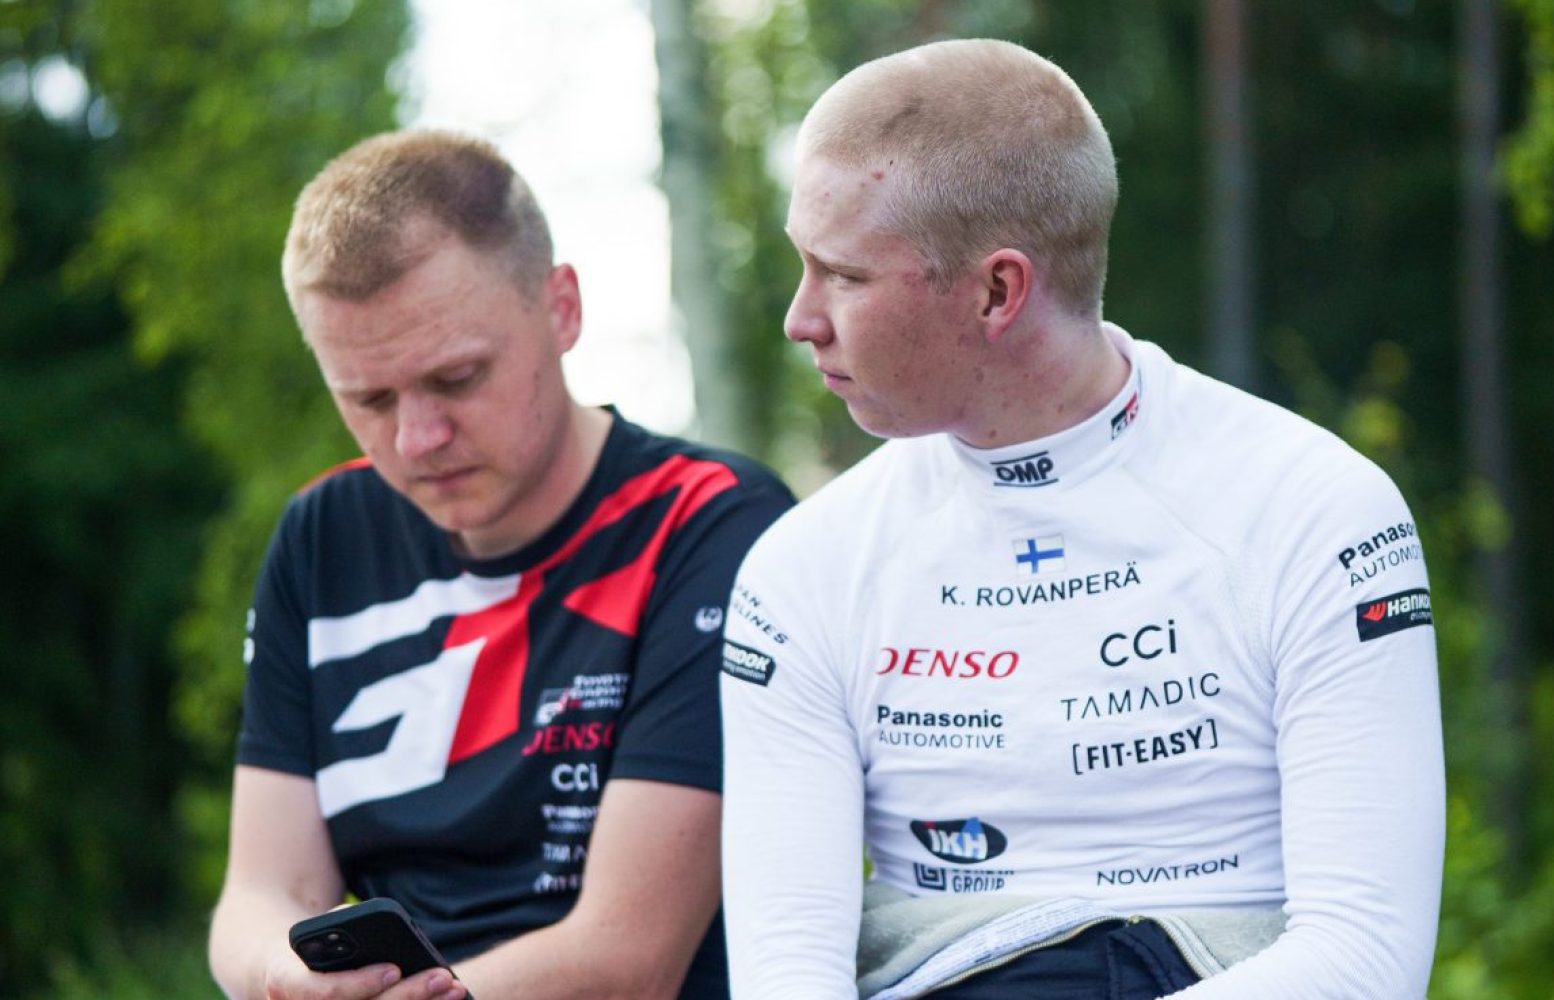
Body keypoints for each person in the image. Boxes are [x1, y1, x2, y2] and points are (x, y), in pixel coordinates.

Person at [720, 38, 1444, 999]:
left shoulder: (1318, 513)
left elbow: (1367, 959)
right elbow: (785, 973)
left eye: (843, 276)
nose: (800, 319)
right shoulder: (801, 569)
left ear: (997, 291)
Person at [208, 130, 794, 1000]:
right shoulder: (323, 536)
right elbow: (259, 893)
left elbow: (629, 960)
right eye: (368, 398)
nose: (417, 438)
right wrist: (283, 973)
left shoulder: (708, 522)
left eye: (457, 378)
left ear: (562, 309)